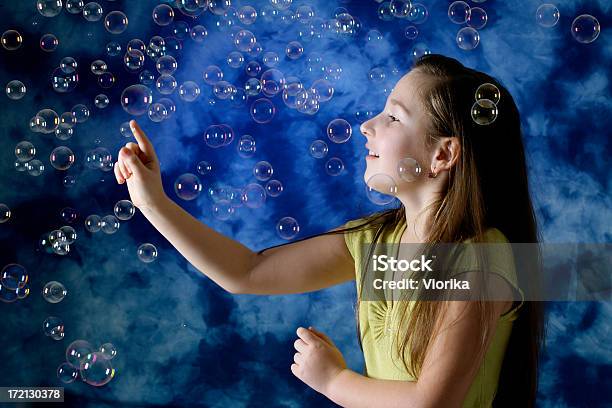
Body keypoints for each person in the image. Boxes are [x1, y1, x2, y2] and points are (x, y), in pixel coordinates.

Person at [114, 54, 544, 407]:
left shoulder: (480, 257)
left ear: (443, 154)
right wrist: (152, 201)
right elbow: (245, 273)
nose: (366, 126)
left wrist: (334, 380)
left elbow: (432, 403)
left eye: (393, 118)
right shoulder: (376, 243)